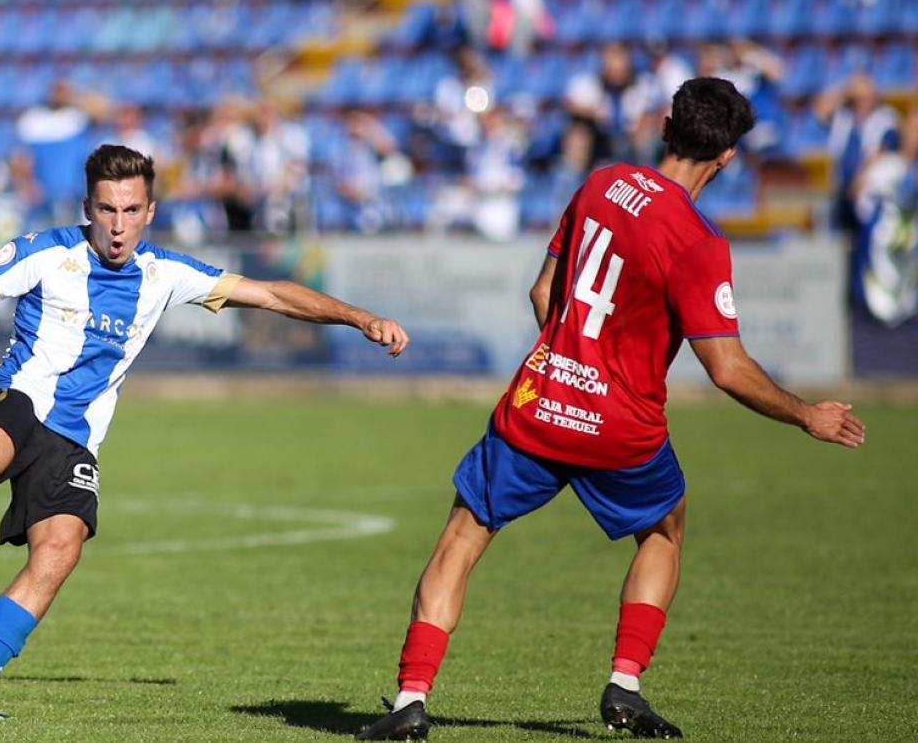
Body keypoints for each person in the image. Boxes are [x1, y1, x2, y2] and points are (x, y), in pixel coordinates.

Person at [0, 144, 410, 721]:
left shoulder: (168, 274)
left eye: (131, 211)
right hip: (21, 403)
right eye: (106, 210)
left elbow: (276, 295)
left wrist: (360, 318)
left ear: (150, 212)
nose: (118, 226)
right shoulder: (45, 255)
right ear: (90, 207)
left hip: (77, 439)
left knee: (60, 550)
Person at [355, 78, 865, 741]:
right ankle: (625, 686)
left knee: (462, 537)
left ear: (664, 127)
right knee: (664, 531)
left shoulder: (603, 182)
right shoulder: (698, 244)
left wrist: (567, 362)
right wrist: (806, 415)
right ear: (728, 157)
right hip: (622, 429)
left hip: (540, 404)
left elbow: (542, 293)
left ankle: (409, 703)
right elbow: (727, 369)